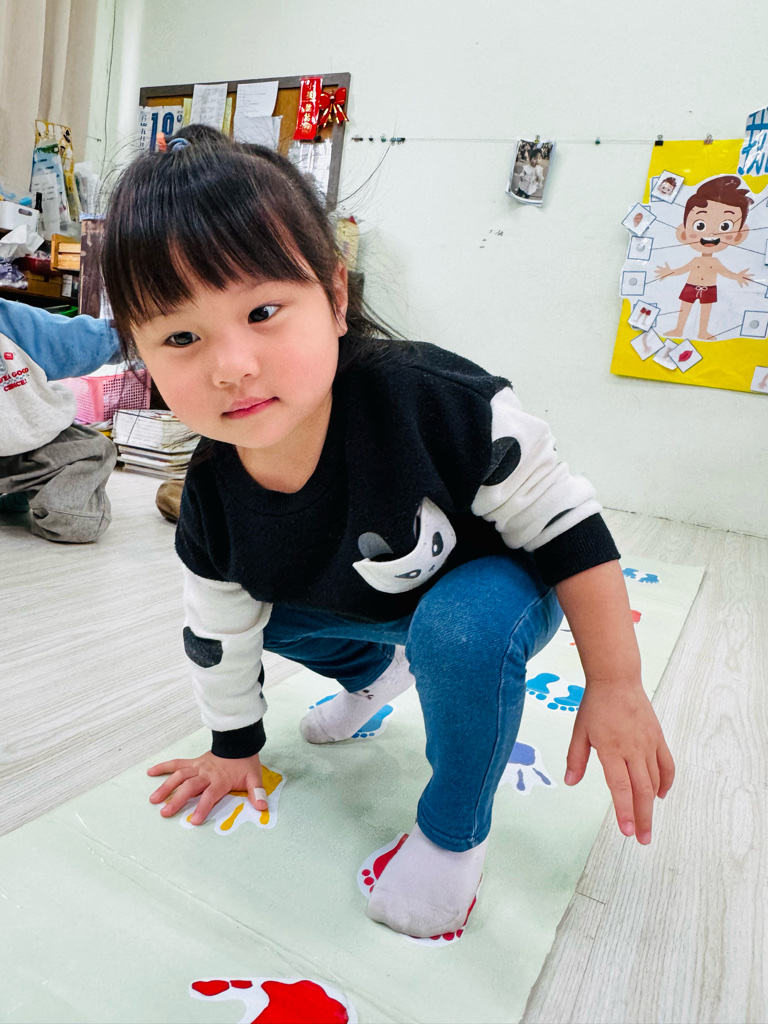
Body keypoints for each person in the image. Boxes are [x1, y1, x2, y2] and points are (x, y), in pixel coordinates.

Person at [101, 125, 674, 939]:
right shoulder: (211, 496)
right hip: (377, 604)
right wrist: (233, 747)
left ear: (335, 298)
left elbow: (568, 522)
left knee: (459, 631)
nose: (231, 366)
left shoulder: (433, 399)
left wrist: (614, 683)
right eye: (181, 337)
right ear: (142, 356)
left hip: (503, 587)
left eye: (263, 312)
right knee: (260, 611)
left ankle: (452, 837)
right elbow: (218, 635)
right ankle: (376, 676)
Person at [0, 298, 119, 541]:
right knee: (91, 455)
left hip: (30, 445)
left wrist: (129, 332)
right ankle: (33, 491)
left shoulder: (11, 322)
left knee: (92, 452)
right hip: (28, 446)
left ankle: (30, 492)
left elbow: (72, 339)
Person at [655, 174, 754, 340]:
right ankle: (679, 329)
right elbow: (683, 269)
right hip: (691, 286)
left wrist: (737, 276)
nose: (711, 234)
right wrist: (669, 272)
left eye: (725, 226)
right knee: (685, 307)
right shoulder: (696, 260)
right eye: (699, 225)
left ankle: (702, 331)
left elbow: (724, 272)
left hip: (709, 288)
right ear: (683, 233)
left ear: (738, 236)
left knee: (705, 310)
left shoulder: (715, 262)